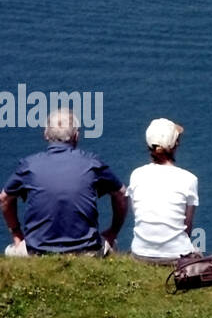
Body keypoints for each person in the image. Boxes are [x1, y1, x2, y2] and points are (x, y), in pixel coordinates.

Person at [1, 109, 127, 257]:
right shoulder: (92, 163)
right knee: (113, 246)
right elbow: (121, 195)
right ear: (76, 135)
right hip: (87, 252)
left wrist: (17, 234)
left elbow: (4, 199)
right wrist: (113, 231)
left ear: (46, 134)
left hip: (37, 251)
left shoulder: (29, 165)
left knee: (9, 252)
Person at [126, 118, 199, 264]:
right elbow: (187, 226)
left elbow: (138, 215)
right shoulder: (189, 179)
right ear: (175, 145)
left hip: (140, 254)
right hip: (177, 256)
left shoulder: (136, 175)